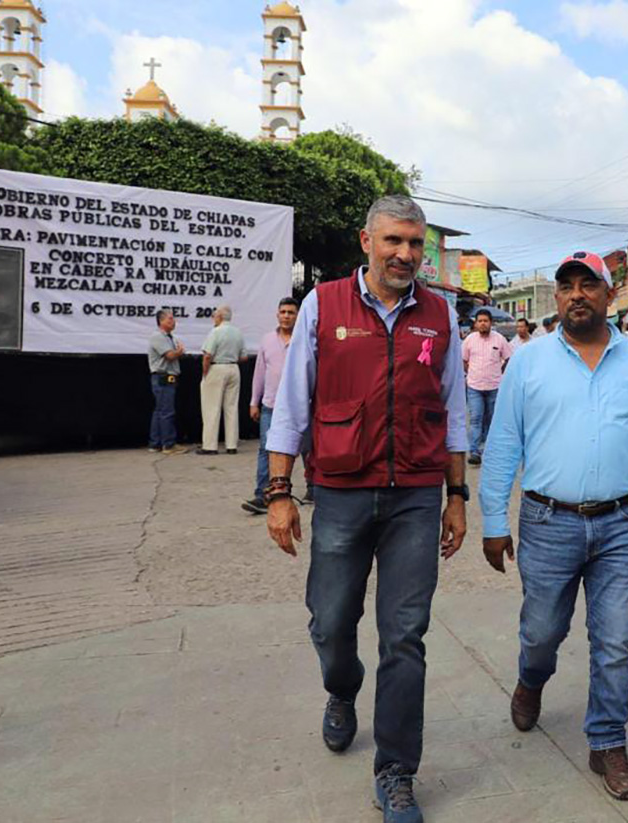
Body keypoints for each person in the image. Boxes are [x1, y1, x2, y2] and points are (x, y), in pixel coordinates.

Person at [264, 195, 468, 823]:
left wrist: (456, 497)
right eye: (394, 242)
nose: (406, 254)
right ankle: (341, 688)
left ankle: (397, 771)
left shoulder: (441, 314)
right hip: (342, 491)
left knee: (405, 637)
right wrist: (279, 492)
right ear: (366, 242)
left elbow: (454, 409)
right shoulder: (324, 306)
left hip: (414, 495)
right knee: (329, 621)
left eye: (415, 244)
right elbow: (292, 403)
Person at [479, 250, 628, 803]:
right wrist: (494, 519)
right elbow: (503, 445)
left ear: (608, 294)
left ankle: (608, 742)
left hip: (620, 522)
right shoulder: (528, 361)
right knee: (542, 631)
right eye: (566, 285)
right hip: (548, 521)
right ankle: (531, 678)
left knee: (615, 640)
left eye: (587, 284)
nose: (576, 294)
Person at [243, 297, 304, 515]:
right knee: (266, 449)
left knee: (308, 448)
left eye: (291, 312)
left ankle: (315, 489)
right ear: (277, 315)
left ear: (298, 316)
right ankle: (262, 495)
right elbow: (259, 373)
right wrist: (253, 402)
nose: (287, 316)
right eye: (283, 312)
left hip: (300, 405)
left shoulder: (304, 339)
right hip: (270, 404)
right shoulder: (267, 340)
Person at [462, 308, 513, 465]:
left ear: (491, 323)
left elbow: (508, 358)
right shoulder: (469, 340)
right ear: (476, 323)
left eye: (485, 321)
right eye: (480, 321)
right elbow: (464, 361)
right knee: (476, 419)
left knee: (492, 420)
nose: (482, 324)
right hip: (474, 387)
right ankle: (475, 452)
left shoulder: (499, 339)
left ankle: (491, 451)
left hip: (494, 387)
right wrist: (471, 373)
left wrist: (499, 372)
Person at [198, 305, 248, 455]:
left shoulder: (216, 332)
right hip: (233, 369)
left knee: (211, 408)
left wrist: (205, 373)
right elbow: (244, 357)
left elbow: (207, 355)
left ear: (219, 317)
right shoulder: (238, 333)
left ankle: (210, 446)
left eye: (214, 315)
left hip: (217, 368)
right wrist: (231, 358)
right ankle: (231, 445)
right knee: (231, 408)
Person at [147, 309, 189, 455]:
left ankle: (156, 443)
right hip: (162, 377)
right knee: (166, 412)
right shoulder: (158, 337)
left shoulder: (171, 337)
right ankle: (168, 444)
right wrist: (179, 352)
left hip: (167, 377)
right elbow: (170, 355)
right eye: (170, 319)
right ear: (161, 321)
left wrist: (179, 352)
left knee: (160, 411)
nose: (173, 322)